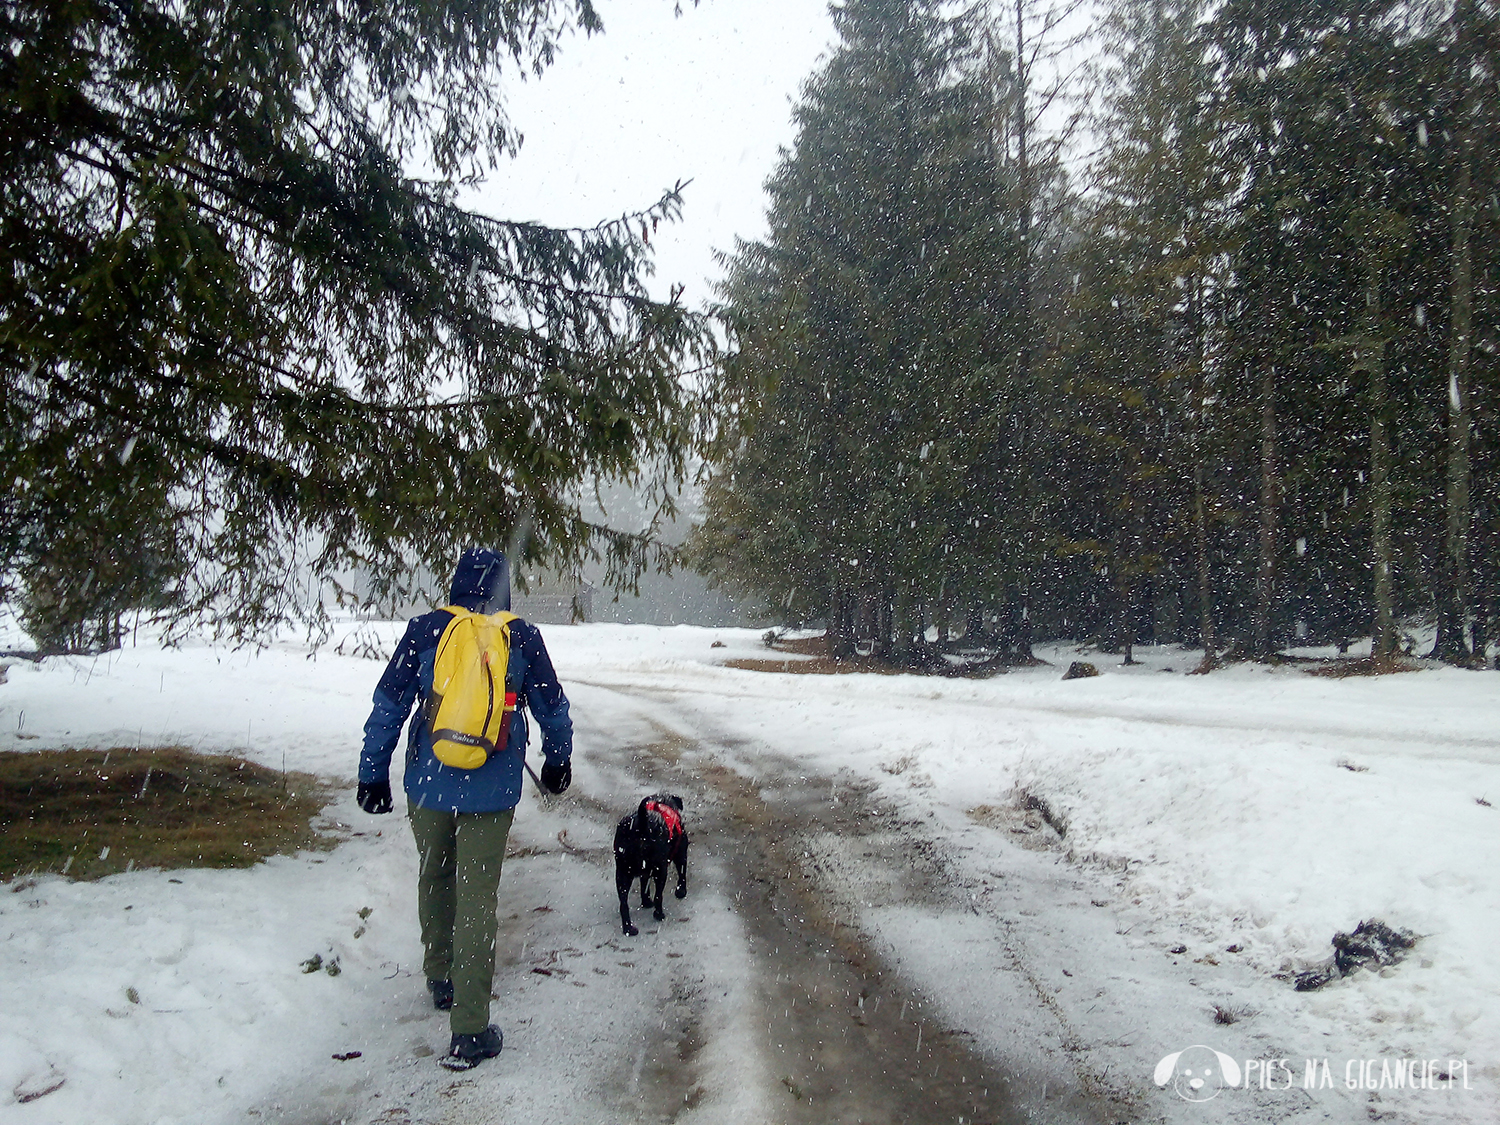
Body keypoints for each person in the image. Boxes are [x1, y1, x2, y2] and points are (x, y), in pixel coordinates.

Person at [356, 547, 573, 1070]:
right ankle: (470, 1030)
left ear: (456, 584)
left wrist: (372, 771)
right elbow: (552, 706)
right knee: (478, 897)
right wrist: (557, 761)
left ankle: (440, 977)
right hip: (493, 786)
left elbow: (389, 703)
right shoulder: (519, 635)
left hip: (427, 782)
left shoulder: (426, 629)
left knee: (434, 873)